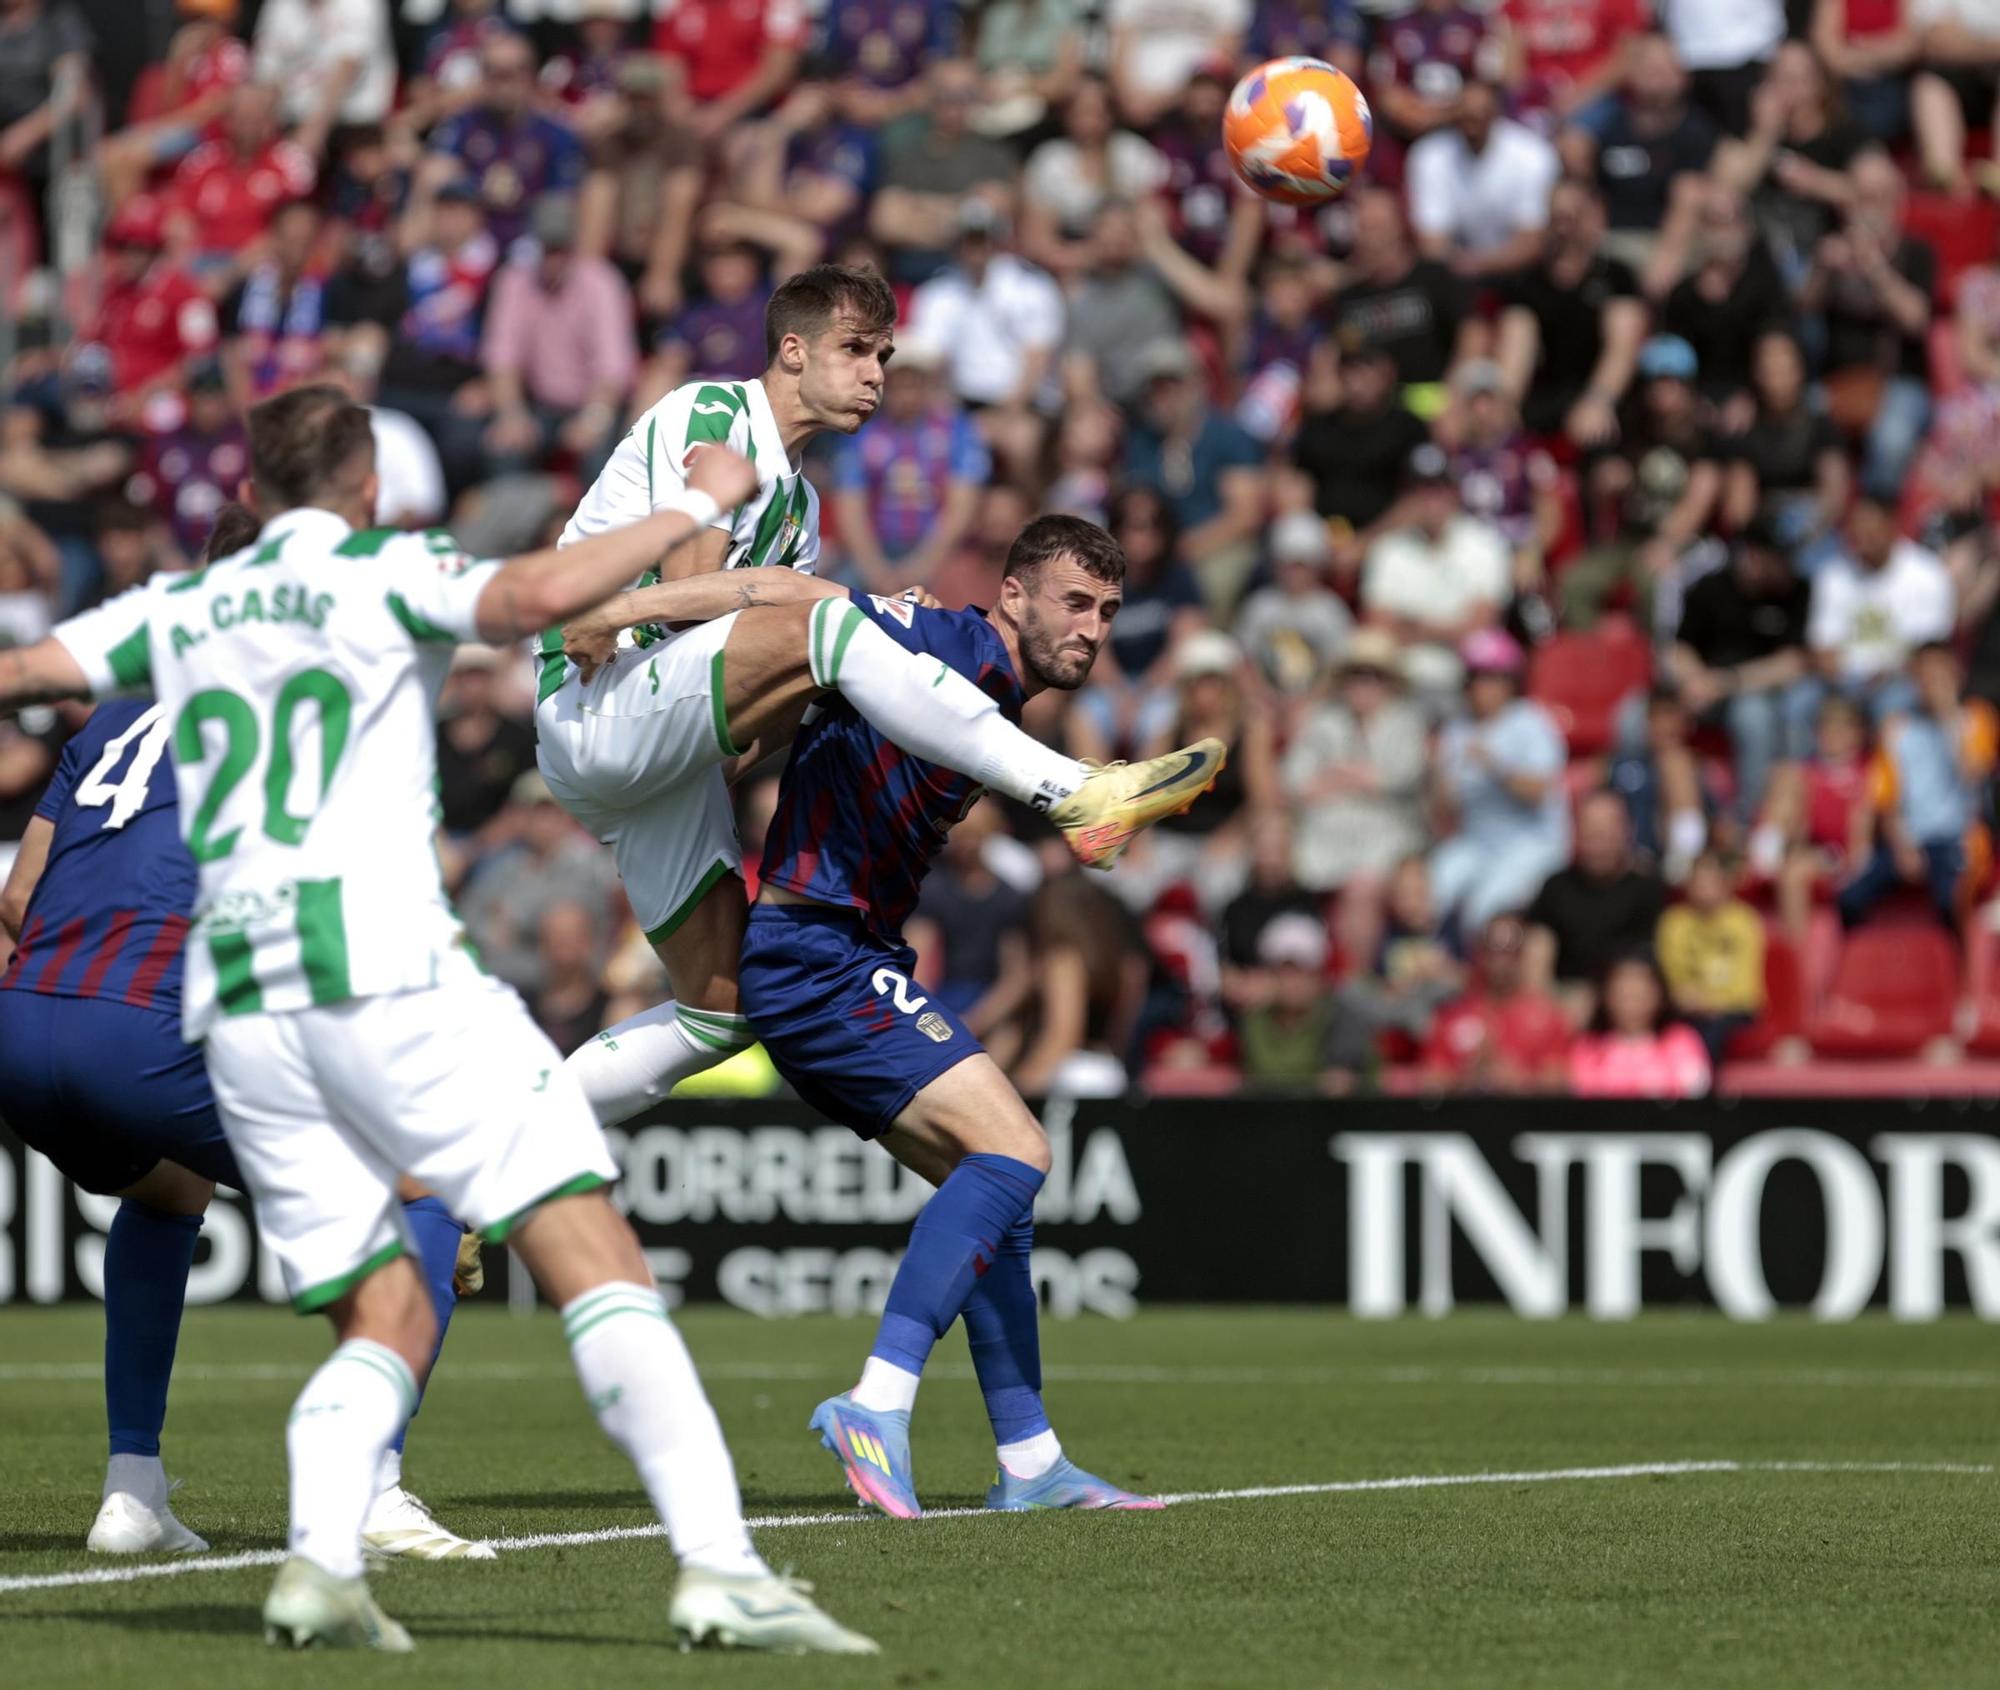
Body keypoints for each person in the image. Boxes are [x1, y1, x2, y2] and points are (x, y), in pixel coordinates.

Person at [0, 388, 876, 1654]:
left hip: (153, 1011)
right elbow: (535, 599)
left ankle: (261, 1530)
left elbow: (25, 706)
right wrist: (697, 505)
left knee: (263, 1235)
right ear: (357, 492)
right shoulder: (372, 577)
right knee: (552, 1231)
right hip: (362, 981)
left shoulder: (171, 619)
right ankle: (689, 1563)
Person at [537, 265, 1222, 1137]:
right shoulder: (714, 417)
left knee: (718, 1013)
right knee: (833, 619)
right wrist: (828, 614)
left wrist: (871, 664)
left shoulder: (805, 508)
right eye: (856, 351)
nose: (877, 375)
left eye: (886, 356)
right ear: (793, 350)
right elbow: (690, 594)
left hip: (660, 760)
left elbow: (758, 711)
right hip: (597, 697)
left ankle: (494, 1167)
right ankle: (1075, 792)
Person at [0, 505, 483, 1565]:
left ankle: (132, 1492)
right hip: (144, 1032)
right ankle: (370, 1489)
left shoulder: (119, 710)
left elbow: (22, 890)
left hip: (20, 1025)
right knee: (424, 1186)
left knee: (168, 1188)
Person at [733, 514, 1193, 1516]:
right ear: (1012, 595)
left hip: (844, 953)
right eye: (1073, 603)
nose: (1092, 629)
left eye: (1108, 612)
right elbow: (805, 612)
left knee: (996, 1197)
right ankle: (876, 1399)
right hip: (813, 952)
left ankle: (1029, 1458)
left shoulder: (988, 695)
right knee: (1017, 1151)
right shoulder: (936, 642)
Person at [1839, 640, 1996, 929]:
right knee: (1849, 899)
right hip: (1908, 837)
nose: (1931, 684)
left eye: (1938, 675)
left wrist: (1948, 715)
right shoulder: (1896, 727)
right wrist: (1901, 846)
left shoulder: (1976, 718)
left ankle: (1960, 970)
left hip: (1956, 838)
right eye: (1923, 676)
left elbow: (1972, 775)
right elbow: (1886, 798)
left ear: (1955, 675)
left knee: (1952, 902)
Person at [1428, 628, 1570, 939]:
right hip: (1476, 843)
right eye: (1476, 677)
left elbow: (1538, 793)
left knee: (1483, 908)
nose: (1482, 686)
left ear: (1510, 682)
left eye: (1492, 677)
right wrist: (1438, 772)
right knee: (1430, 890)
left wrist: (1496, 768)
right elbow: (1444, 810)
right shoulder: (1457, 730)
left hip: (1532, 843)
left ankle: (1474, 981)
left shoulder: (1531, 722)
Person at [1526, 789, 1669, 1024]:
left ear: (1628, 830)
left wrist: (1599, 996)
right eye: (1590, 829)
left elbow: (1645, 963)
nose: (1598, 838)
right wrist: (1544, 1006)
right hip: (1564, 996)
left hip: (1625, 998)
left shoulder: (1648, 889)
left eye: (1607, 830)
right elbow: (1537, 951)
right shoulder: (1555, 887)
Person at [1809, 492, 1955, 719]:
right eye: (1856, 532)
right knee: (1800, 701)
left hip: (1903, 679)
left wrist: (1882, 673)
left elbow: (1929, 653)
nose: (1862, 540)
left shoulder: (1927, 573)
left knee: (1892, 702)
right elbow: (1824, 651)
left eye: (1870, 531)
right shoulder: (1833, 575)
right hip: (1847, 680)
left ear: (1891, 527)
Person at [1407, 78, 1561, 279]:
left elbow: (1531, 242)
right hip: (1454, 276)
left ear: (1496, 113)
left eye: (1480, 113)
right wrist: (1462, 267)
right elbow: (1432, 243)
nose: (1472, 122)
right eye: (1466, 114)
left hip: (1521, 275)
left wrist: (1475, 264)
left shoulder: (1533, 155)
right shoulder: (1429, 156)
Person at [1421, 911, 1571, 1092]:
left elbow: (1558, 1082)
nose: (1501, 959)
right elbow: (1431, 1077)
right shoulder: (1452, 1015)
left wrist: (1518, 1079)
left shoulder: (1547, 1019)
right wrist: (1468, 1077)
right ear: (1480, 952)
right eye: (1493, 947)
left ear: (1522, 954)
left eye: (1510, 949)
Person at [1657, 848, 1767, 1066]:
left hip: (1733, 1010)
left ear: (1726, 884)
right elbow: (1671, 973)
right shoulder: (1674, 922)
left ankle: (1703, 1096)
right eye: (1697, 882)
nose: (1703, 889)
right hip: (1687, 1008)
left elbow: (1745, 988)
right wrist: (1684, 997)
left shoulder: (1744, 922)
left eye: (1710, 882)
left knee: (1710, 1034)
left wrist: (1710, 1003)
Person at [1567, 952, 1712, 1097]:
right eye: (1623, 993)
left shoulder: (1681, 1041)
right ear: (1606, 996)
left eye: (1639, 993)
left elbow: (1696, 1094)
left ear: (1659, 994)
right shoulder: (1588, 1048)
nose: (1631, 1002)